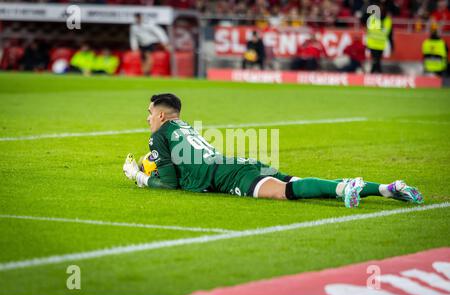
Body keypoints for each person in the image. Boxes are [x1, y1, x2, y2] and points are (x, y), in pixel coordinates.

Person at [122, 93, 424, 208]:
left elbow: (170, 184)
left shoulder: (160, 134)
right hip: (236, 162)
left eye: (149, 112)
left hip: (229, 175)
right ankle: (386, 188)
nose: (147, 118)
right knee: (295, 182)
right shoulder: (184, 126)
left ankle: (346, 189)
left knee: (284, 193)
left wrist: (139, 176)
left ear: (162, 116)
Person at [365, 4, 393, 73]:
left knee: (376, 60)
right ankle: (377, 73)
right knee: (376, 60)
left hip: (379, 44)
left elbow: (389, 33)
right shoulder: (374, 19)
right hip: (374, 43)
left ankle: (374, 73)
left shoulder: (386, 20)